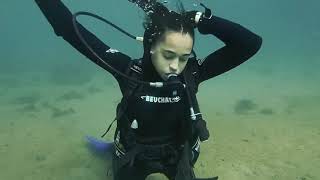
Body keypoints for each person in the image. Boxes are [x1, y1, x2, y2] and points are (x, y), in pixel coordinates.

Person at [34, 0, 262, 180]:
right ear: (150, 47)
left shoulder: (191, 73)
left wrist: (203, 20)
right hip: (133, 154)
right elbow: (67, 28)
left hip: (178, 155)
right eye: (168, 55)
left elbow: (250, 43)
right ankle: (111, 150)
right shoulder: (129, 70)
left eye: (184, 57)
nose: (175, 66)